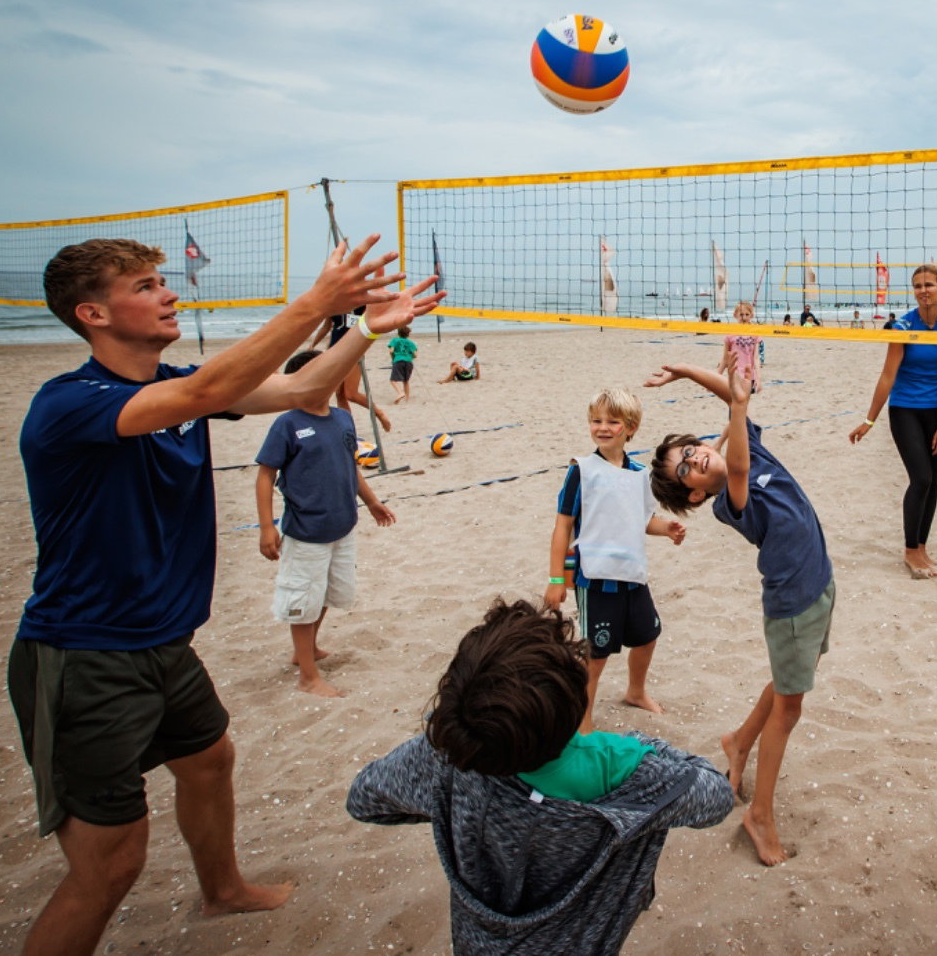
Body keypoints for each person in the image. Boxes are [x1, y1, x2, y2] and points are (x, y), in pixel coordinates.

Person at [11, 235, 442, 956]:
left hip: (164, 642)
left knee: (210, 759)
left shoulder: (176, 385)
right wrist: (316, 301)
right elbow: (207, 392)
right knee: (111, 866)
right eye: (145, 285)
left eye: (161, 280)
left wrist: (364, 328)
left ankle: (222, 892)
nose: (169, 292)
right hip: (84, 653)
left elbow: (303, 391)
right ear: (92, 313)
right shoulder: (68, 404)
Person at [346, 599, 733, 955]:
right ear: (575, 701)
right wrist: (638, 744)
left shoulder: (450, 757)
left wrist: (447, 800)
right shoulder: (619, 769)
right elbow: (714, 794)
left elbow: (365, 800)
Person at [646, 355, 834, 867]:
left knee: (790, 679)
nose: (694, 460)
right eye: (685, 469)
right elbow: (738, 458)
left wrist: (687, 372)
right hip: (792, 602)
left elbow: (733, 401)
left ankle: (738, 740)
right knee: (790, 706)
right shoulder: (731, 499)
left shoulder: (750, 450)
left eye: (691, 451)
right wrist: (738, 405)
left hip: (820, 581)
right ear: (694, 492)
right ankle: (760, 815)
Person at [544, 387, 687, 732]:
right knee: (595, 654)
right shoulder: (582, 469)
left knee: (647, 635)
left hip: (632, 574)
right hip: (595, 578)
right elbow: (563, 525)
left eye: (613, 421)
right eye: (596, 420)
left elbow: (640, 520)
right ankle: (584, 719)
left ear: (631, 427)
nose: (603, 427)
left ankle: (636, 692)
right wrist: (555, 579)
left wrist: (666, 528)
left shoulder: (640, 474)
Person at [255, 349, 396, 697]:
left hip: (342, 526)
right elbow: (264, 475)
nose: (332, 376)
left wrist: (372, 500)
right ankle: (308, 676)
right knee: (303, 601)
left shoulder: (342, 418)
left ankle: (307, 650)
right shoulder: (287, 424)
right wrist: (265, 527)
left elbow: (351, 466)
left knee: (327, 594)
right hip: (306, 533)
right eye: (322, 371)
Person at [847, 264, 937, 578]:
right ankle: (911, 550)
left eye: (928, 284)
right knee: (922, 478)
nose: (923, 290)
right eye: (917, 286)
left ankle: (922, 547)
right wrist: (869, 421)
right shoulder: (902, 327)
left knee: (933, 485)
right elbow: (888, 375)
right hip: (905, 410)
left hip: (936, 413)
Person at [308, 306, 391, 432]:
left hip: (353, 349)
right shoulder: (333, 303)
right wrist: (312, 345)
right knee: (339, 394)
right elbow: (326, 327)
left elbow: (369, 326)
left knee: (351, 394)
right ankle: (347, 428)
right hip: (334, 349)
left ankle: (379, 413)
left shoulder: (361, 304)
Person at [721, 300, 763, 393]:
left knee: (744, 405)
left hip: (749, 376)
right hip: (735, 375)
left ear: (751, 315)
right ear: (735, 315)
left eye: (747, 314)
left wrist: (758, 379)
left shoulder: (755, 333)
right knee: (735, 403)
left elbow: (756, 358)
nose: (744, 317)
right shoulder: (730, 333)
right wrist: (717, 375)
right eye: (741, 315)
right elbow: (725, 359)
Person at [387, 325, 417, 404]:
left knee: (393, 380)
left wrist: (393, 358)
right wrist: (410, 356)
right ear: (408, 334)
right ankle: (407, 399)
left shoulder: (394, 340)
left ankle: (400, 393)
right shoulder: (411, 343)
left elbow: (391, 351)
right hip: (409, 362)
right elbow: (415, 355)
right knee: (406, 381)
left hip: (398, 361)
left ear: (398, 333)